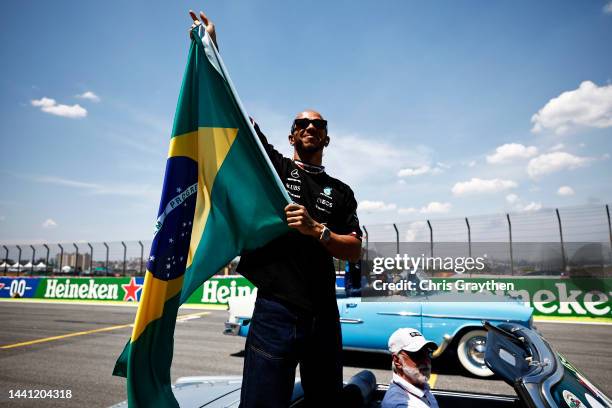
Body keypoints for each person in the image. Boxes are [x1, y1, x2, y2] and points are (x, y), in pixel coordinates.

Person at [189, 11, 362, 408]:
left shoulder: (341, 191)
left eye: (318, 124)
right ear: (292, 135)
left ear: (327, 137)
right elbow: (237, 123)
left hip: (323, 315)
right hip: (275, 310)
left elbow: (354, 248)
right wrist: (211, 53)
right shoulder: (276, 170)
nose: (310, 128)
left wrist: (317, 230)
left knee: (326, 403)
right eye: (302, 123)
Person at [382, 328, 439, 408]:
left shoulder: (419, 386)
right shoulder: (402, 404)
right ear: (397, 361)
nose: (426, 361)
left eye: (428, 353)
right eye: (418, 355)